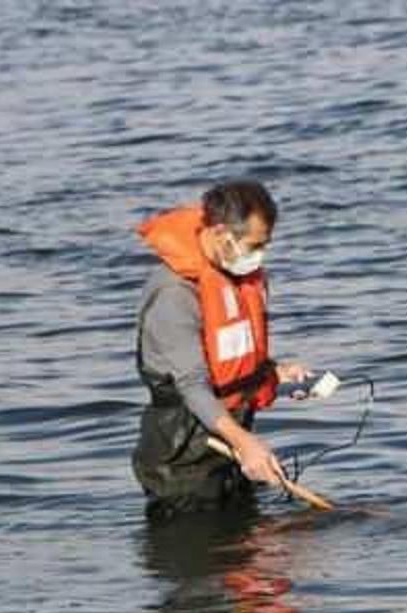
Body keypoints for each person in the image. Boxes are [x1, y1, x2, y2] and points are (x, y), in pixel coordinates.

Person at [132, 179, 311, 517]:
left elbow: (226, 356)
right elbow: (192, 387)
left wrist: (274, 373)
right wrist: (246, 444)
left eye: (265, 246)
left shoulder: (235, 274)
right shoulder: (175, 294)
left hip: (229, 447)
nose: (258, 257)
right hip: (182, 460)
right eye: (253, 246)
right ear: (219, 234)